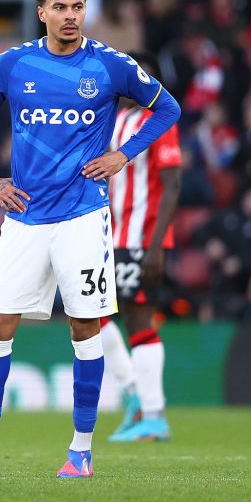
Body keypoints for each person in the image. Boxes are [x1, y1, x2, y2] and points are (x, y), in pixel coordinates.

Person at [0, 0, 180, 480]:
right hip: (25, 217)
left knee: (84, 326)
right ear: (42, 11)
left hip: (82, 217)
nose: (70, 17)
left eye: (78, 7)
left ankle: (80, 452)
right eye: (61, 7)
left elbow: (168, 108)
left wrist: (123, 154)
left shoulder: (110, 66)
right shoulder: (12, 64)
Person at [99, 52, 181, 443]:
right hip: (106, 238)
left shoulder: (159, 120)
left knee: (139, 321)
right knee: (90, 315)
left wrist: (157, 245)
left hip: (139, 239)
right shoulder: (115, 119)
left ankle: (153, 414)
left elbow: (173, 184)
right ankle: (135, 394)